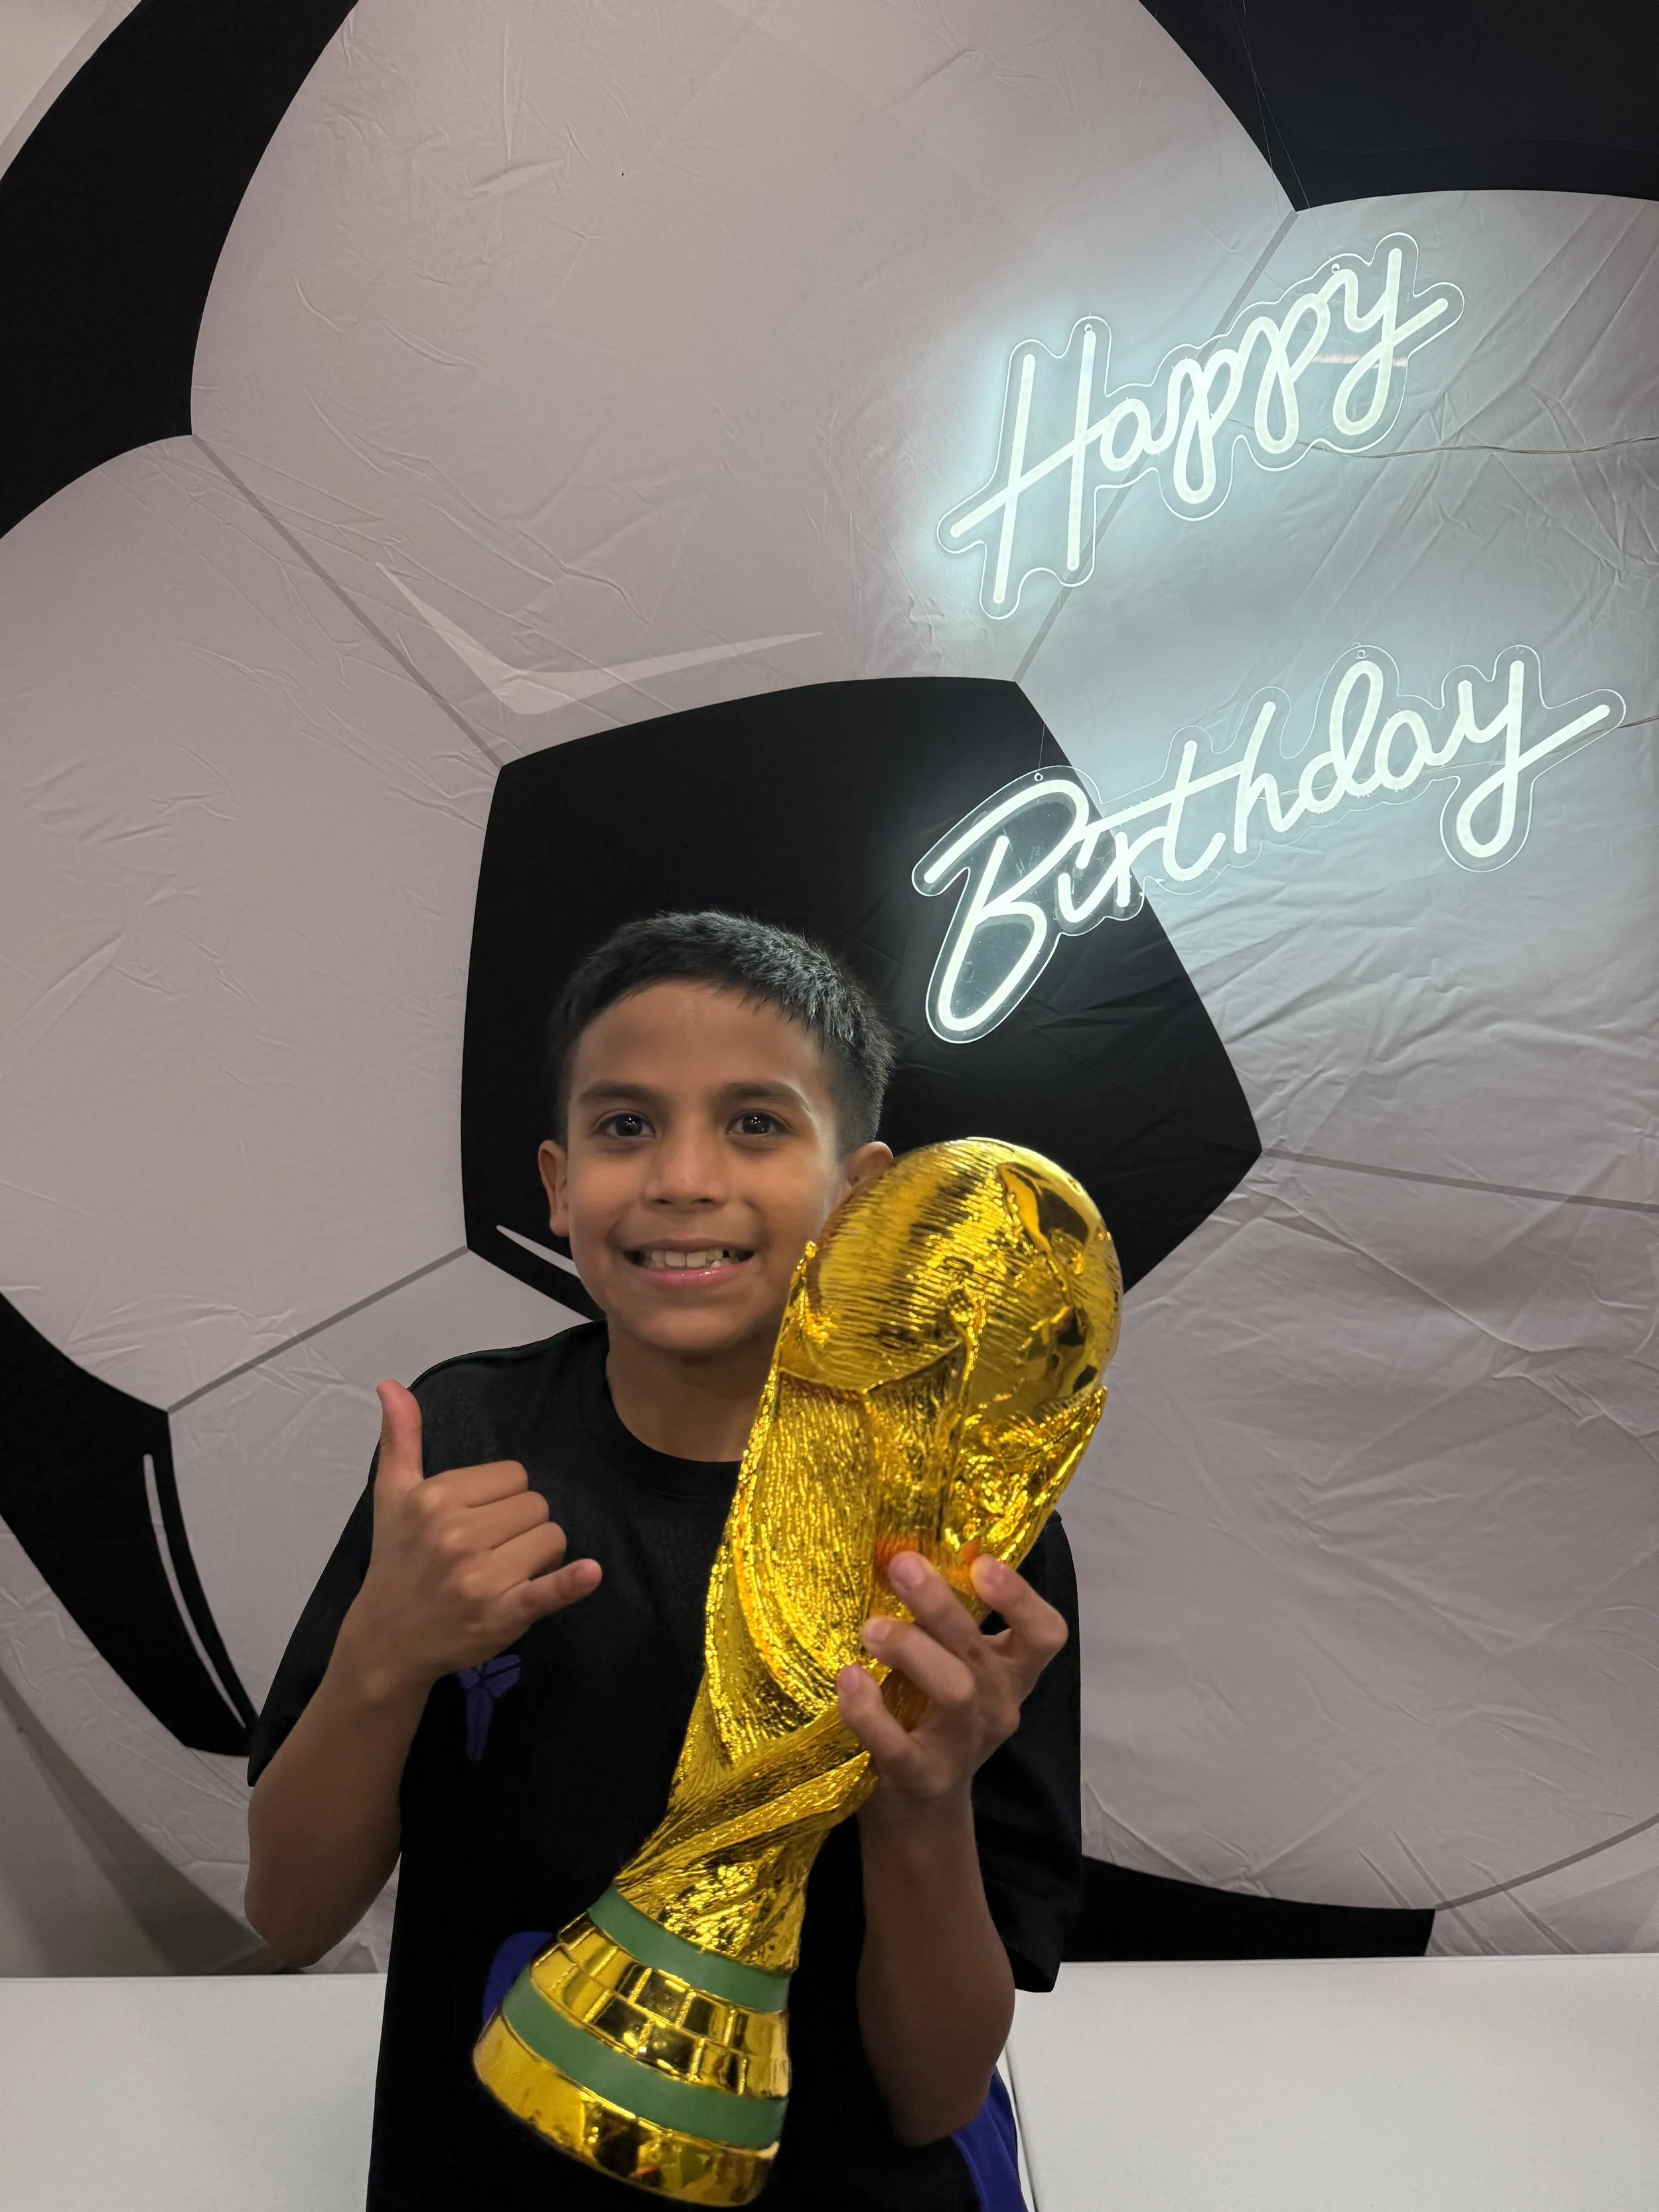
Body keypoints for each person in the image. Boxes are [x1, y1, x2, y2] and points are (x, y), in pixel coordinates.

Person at [244, 911, 1084, 2211]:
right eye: (626, 1125)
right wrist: (381, 1661)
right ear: (556, 1181)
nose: (684, 1177)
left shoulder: (961, 1533)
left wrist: (921, 1804)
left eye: (754, 1123)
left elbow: (932, 2094)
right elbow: (290, 1915)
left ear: (860, 1195)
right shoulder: (462, 1449)